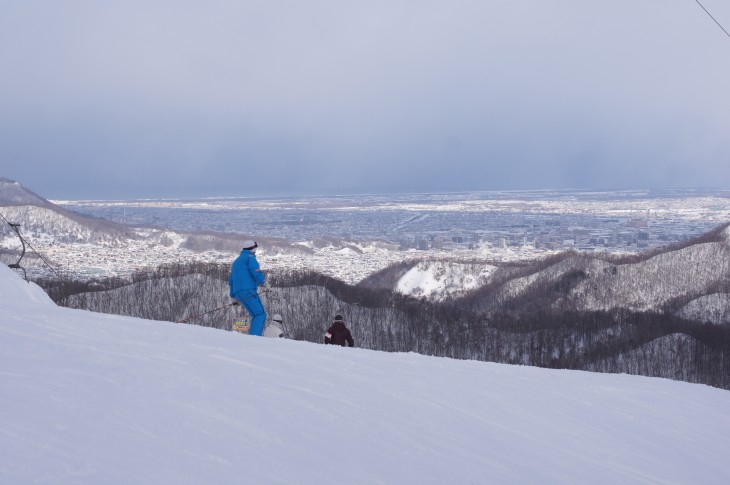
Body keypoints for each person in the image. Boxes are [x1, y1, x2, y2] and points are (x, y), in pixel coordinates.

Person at [229, 240, 269, 336]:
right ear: (253, 248)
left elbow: (231, 281)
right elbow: (256, 271)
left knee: (255, 314)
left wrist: (233, 296)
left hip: (239, 293)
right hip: (249, 290)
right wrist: (265, 283)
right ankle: (255, 337)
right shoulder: (250, 258)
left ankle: (251, 336)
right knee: (260, 314)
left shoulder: (236, 262)